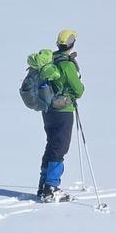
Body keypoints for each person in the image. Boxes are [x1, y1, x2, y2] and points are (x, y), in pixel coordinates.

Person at [36, 29, 85, 202]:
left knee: (52, 145)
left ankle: (43, 185)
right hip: (63, 111)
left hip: (48, 110)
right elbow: (78, 90)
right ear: (72, 44)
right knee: (60, 147)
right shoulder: (66, 65)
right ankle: (51, 188)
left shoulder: (50, 60)